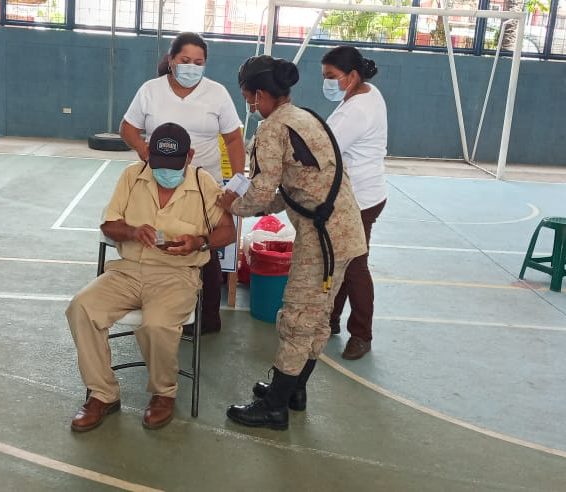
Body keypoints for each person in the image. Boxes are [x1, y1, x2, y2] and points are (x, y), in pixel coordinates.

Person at [217, 56, 366, 430]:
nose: (249, 104)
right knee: (317, 316)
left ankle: (274, 408)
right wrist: (256, 205)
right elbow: (292, 189)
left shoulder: (272, 129)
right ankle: (293, 390)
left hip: (322, 238)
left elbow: (262, 189)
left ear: (259, 94)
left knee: (298, 317)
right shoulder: (305, 117)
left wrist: (231, 205)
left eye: (248, 97)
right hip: (345, 231)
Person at [66, 123, 236, 432]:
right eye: (158, 164)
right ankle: (103, 394)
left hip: (177, 275)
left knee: (156, 324)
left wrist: (198, 242)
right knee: (81, 307)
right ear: (147, 155)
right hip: (128, 270)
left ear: (190, 156)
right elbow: (109, 225)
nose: (164, 172)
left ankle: (163, 394)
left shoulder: (203, 183)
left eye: (173, 165)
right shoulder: (132, 176)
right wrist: (132, 232)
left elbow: (227, 231)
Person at [121, 32, 245, 335]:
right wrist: (145, 152)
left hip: (204, 184)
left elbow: (233, 139)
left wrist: (237, 182)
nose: (192, 67)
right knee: (159, 241)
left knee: (205, 247)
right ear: (172, 60)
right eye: (185, 60)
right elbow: (128, 128)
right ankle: (155, 304)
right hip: (159, 181)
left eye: (198, 63)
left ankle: (207, 318)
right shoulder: (151, 90)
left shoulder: (217, 94)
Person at [322, 46, 388, 361]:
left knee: (354, 266)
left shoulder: (357, 109)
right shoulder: (366, 93)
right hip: (365, 194)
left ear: (351, 76)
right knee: (342, 261)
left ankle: (361, 334)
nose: (327, 82)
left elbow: (324, 150)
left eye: (331, 76)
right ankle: (331, 319)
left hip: (358, 199)